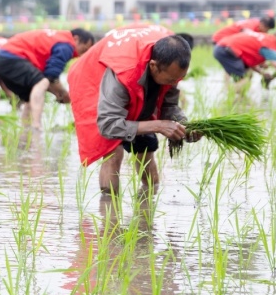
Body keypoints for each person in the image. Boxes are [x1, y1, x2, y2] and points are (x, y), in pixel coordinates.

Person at [68, 25, 198, 195]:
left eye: (179, 78)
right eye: (171, 79)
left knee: (146, 149)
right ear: (153, 66)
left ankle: (149, 201)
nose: (175, 83)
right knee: (113, 151)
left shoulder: (172, 56)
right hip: (93, 80)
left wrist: (185, 126)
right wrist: (158, 126)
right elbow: (108, 125)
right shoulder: (124, 72)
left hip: (137, 75)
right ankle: (109, 208)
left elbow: (168, 106)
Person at [0, 28, 96, 128]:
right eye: (83, 50)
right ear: (76, 39)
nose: (81, 55)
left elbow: (47, 78)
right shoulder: (67, 45)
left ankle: (26, 129)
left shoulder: (57, 38)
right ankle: (37, 126)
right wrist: (64, 94)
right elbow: (51, 77)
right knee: (41, 82)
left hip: (0, 60)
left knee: (30, 96)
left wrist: (58, 93)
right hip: (11, 57)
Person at [214, 29, 276, 94]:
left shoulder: (265, 38)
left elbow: (249, 63)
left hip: (224, 48)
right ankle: (226, 95)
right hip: (226, 50)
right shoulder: (270, 45)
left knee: (248, 74)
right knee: (245, 81)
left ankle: (238, 100)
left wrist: (262, 73)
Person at [211, 15, 276, 43]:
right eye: (267, 29)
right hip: (220, 39)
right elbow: (246, 32)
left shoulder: (257, 27)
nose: (266, 32)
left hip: (227, 40)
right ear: (262, 25)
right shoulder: (252, 23)